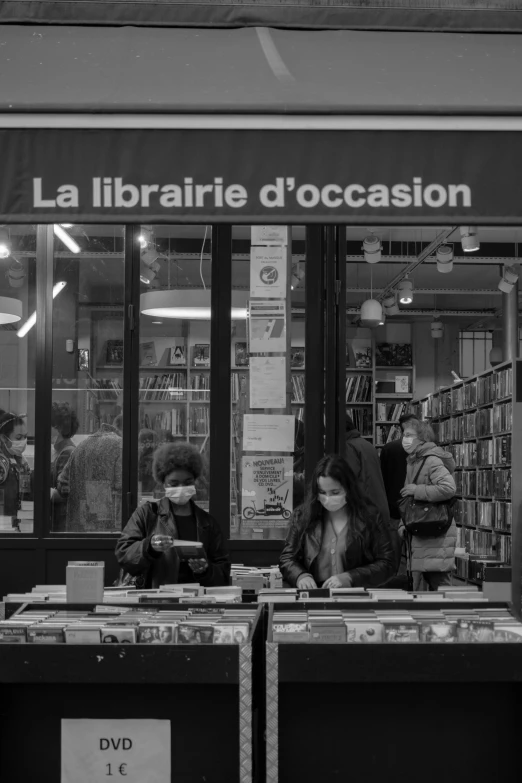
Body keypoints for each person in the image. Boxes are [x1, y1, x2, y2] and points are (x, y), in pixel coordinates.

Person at [115, 441, 230, 587]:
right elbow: (124, 555)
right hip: (155, 597)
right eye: (174, 484)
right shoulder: (147, 514)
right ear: (163, 483)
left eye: (187, 482)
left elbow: (223, 572)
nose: (181, 488)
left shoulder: (207, 522)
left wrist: (205, 571)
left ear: (195, 481)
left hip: (195, 600)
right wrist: (149, 546)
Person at [279, 454, 396, 589]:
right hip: (315, 596)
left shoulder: (369, 517)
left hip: (356, 597)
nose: (328, 498)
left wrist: (350, 577)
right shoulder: (302, 517)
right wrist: (301, 576)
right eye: (322, 492)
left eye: (335, 492)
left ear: (348, 488)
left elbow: (387, 563)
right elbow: (287, 558)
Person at [400, 419, 457, 591]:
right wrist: (403, 524)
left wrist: (416, 490)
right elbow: (408, 501)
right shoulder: (414, 461)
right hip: (423, 529)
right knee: (422, 586)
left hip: (435, 532)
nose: (404, 439)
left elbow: (448, 488)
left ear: (422, 438)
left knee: (438, 584)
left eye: (409, 435)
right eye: (404, 435)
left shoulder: (431, 460)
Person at [57, 416, 122, 531]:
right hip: (110, 531)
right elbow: (122, 488)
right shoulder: (121, 446)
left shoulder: (81, 446)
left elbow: (62, 485)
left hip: (78, 531)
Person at [379, 413, 419, 572]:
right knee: (417, 556)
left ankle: (393, 586)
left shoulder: (389, 448)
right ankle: (416, 589)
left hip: (394, 509)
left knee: (392, 556)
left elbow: (382, 478)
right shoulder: (424, 448)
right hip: (419, 510)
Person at [344, 415, 390, 525]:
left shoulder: (348, 447)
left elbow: (348, 480)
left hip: (364, 511)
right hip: (378, 507)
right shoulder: (367, 444)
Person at [50, 402, 79, 531]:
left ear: (59, 428)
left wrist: (42, 493)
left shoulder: (67, 452)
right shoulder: (57, 450)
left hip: (61, 523)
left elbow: (65, 493)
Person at [0, 411, 30, 531]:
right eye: (18, 437)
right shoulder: (2, 463)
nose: (23, 441)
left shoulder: (22, 461)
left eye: (25, 436)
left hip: (20, 524)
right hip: (3, 526)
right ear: (3, 437)